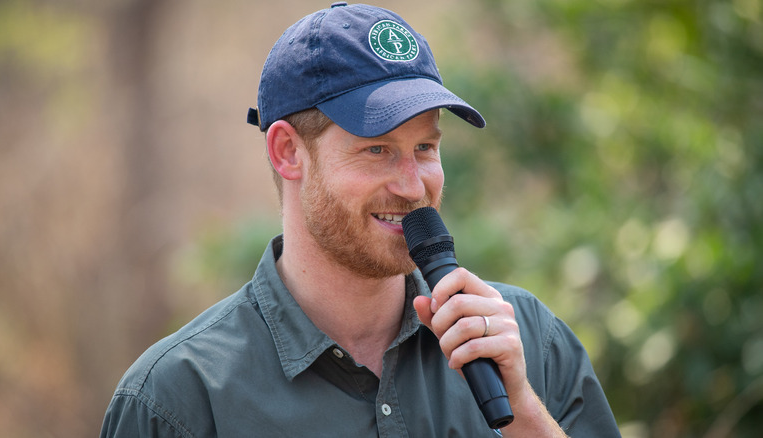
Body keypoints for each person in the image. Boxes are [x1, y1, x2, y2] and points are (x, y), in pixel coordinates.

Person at [100, 3, 620, 437]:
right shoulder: (176, 401)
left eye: (424, 147)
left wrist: (525, 414)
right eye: (376, 150)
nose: (414, 186)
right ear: (288, 152)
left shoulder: (531, 341)